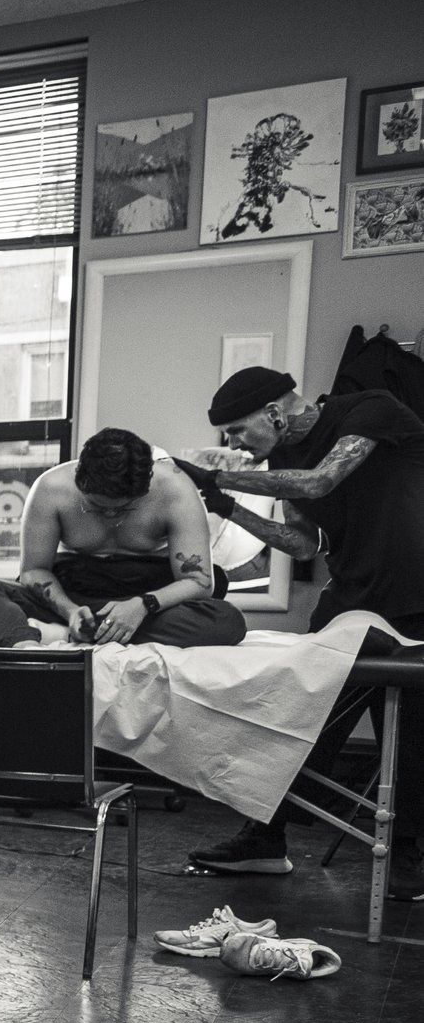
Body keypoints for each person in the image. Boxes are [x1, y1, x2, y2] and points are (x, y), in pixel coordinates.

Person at [177, 366, 424, 896]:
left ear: (274, 413)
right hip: (351, 595)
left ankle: (410, 853)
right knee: (300, 716)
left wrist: (216, 477)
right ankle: (265, 839)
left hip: (416, 595)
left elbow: (321, 481)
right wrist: (229, 508)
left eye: (238, 431)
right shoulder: (283, 456)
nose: (236, 445)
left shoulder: (370, 409)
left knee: (410, 733)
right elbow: (303, 543)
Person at [0, 428, 245, 650]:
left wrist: (142, 606)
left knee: (227, 621)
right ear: (79, 480)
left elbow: (199, 581)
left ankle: (58, 634)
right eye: (96, 506)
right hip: (72, 591)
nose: (110, 515)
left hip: (148, 592)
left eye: (123, 508)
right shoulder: (51, 488)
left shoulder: (176, 489)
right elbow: (34, 571)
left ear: (144, 488)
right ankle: (31, 639)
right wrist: (69, 611)